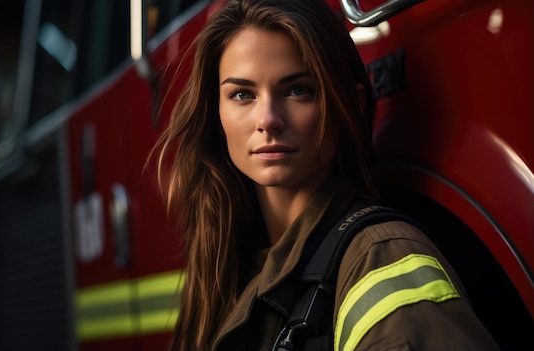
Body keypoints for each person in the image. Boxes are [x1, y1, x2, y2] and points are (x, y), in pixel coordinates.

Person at [151, 0, 500, 350]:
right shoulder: (227, 264)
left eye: (298, 90)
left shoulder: (381, 259)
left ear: (351, 103)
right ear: (217, 115)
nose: (267, 119)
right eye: (242, 94)